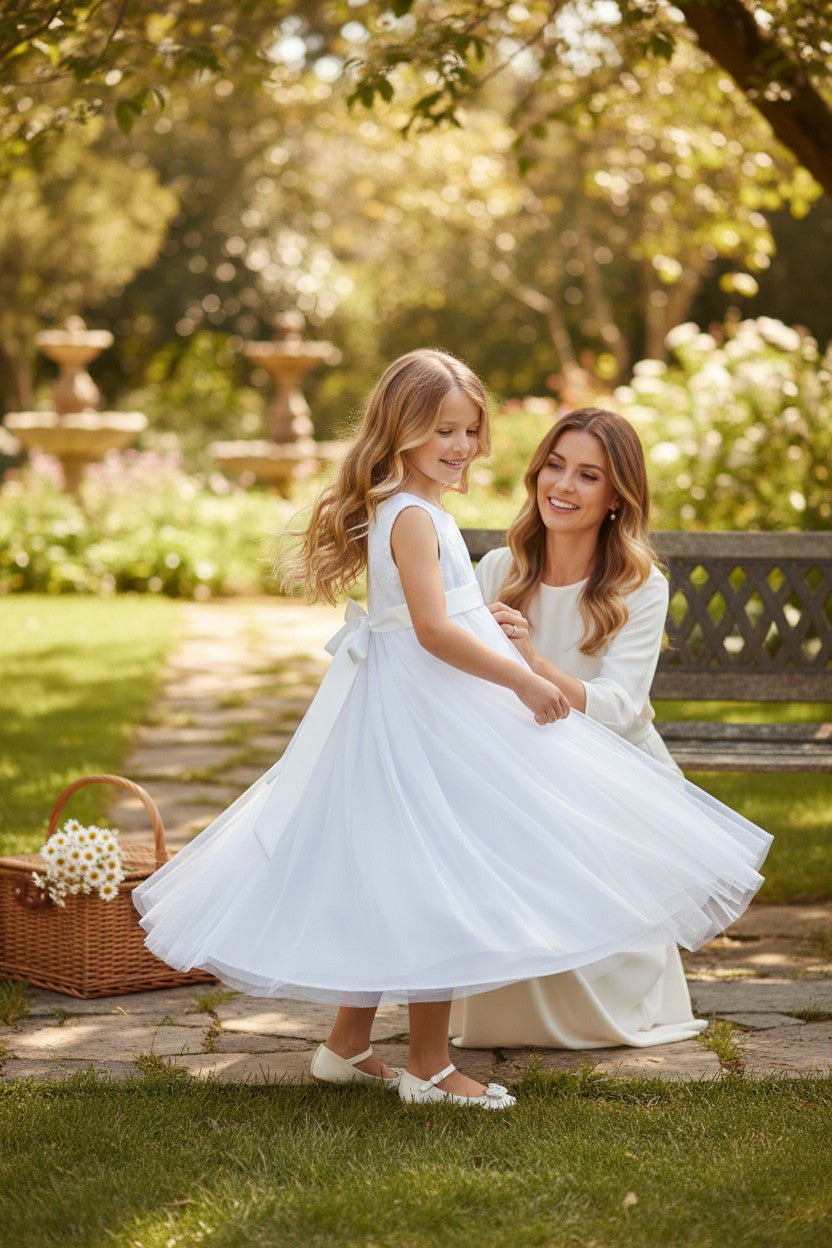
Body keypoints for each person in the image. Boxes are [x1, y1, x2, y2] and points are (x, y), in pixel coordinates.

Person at [134, 349, 771, 1111]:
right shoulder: (415, 516)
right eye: (444, 430)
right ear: (402, 430)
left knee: (398, 867)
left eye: (471, 430)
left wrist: (523, 668)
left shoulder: (418, 513)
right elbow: (435, 630)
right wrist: (524, 678)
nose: (463, 446)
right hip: (423, 714)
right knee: (434, 878)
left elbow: (448, 631)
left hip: (425, 708)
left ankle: (346, 1044)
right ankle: (430, 1065)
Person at [450, 408, 707, 1050]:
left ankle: (599, 1001)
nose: (562, 487)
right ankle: (496, 1004)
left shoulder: (638, 585)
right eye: (555, 466)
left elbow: (621, 708)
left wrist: (535, 663)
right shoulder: (497, 570)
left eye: (588, 475)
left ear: (617, 497)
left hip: (610, 762)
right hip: (518, 752)